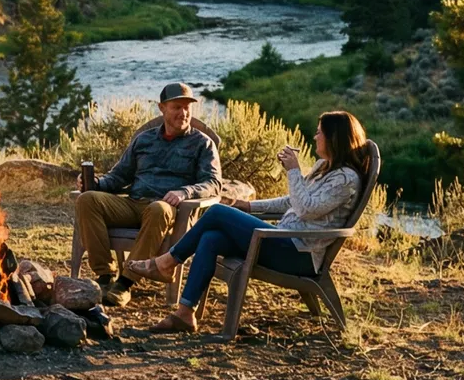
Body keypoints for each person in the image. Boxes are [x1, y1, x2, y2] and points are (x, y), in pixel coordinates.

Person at [126, 109, 372, 334]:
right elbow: (292, 201)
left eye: (320, 133)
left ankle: (168, 261)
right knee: (212, 238)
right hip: (282, 241)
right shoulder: (324, 168)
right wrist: (250, 205)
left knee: (216, 213)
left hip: (299, 253)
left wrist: (293, 170)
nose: (315, 136)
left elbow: (306, 208)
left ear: (334, 138)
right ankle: (185, 313)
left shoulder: (345, 179)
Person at [73, 82, 222, 307]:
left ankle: (125, 283)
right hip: (133, 204)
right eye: (177, 107)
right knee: (87, 199)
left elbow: (213, 183)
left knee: (158, 208)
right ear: (162, 108)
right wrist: (96, 183)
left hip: (168, 210)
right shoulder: (144, 140)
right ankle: (104, 277)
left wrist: (185, 191)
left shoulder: (202, 144)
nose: (183, 113)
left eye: (187, 108)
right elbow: (119, 176)